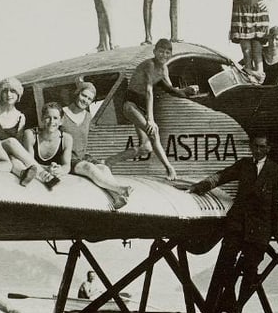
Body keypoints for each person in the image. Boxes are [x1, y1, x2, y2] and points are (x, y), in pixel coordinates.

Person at [189, 134, 278, 313]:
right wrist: (201, 186)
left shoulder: (276, 171)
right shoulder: (243, 165)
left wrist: (277, 231)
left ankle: (236, 306)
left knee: (250, 269)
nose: (257, 150)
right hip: (237, 223)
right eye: (255, 147)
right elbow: (222, 176)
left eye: (261, 147)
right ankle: (228, 305)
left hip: (260, 227)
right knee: (225, 266)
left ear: (268, 148)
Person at [111, 39, 199, 180]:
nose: (163, 55)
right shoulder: (150, 65)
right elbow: (148, 91)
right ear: (154, 52)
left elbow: (170, 89)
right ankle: (170, 169)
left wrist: (188, 90)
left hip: (141, 108)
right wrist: (151, 119)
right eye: (161, 51)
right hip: (131, 106)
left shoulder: (164, 68)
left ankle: (108, 162)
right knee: (154, 133)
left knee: (146, 147)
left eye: (167, 52)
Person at [62, 79, 132, 209]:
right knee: (89, 168)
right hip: (66, 157)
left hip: (81, 156)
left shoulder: (88, 116)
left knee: (104, 169)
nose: (85, 100)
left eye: (89, 99)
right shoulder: (62, 113)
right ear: (77, 93)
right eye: (83, 95)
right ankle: (120, 189)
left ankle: (117, 197)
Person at [17, 102, 73, 188]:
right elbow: (29, 162)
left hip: (49, 179)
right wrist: (47, 168)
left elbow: (67, 166)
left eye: (55, 118)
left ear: (61, 121)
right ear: (42, 119)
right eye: (48, 117)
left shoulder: (66, 139)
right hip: (36, 179)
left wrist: (59, 170)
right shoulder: (30, 135)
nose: (52, 122)